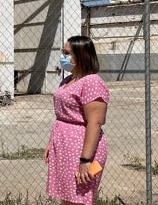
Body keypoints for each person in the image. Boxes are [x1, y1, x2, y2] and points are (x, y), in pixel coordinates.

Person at [44, 35, 110, 205]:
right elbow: (62, 115)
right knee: (68, 198)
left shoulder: (92, 82)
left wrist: (85, 160)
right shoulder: (68, 80)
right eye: (63, 52)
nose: (63, 57)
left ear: (81, 56)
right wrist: (51, 143)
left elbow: (95, 123)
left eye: (67, 53)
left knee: (79, 200)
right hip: (65, 146)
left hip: (81, 149)